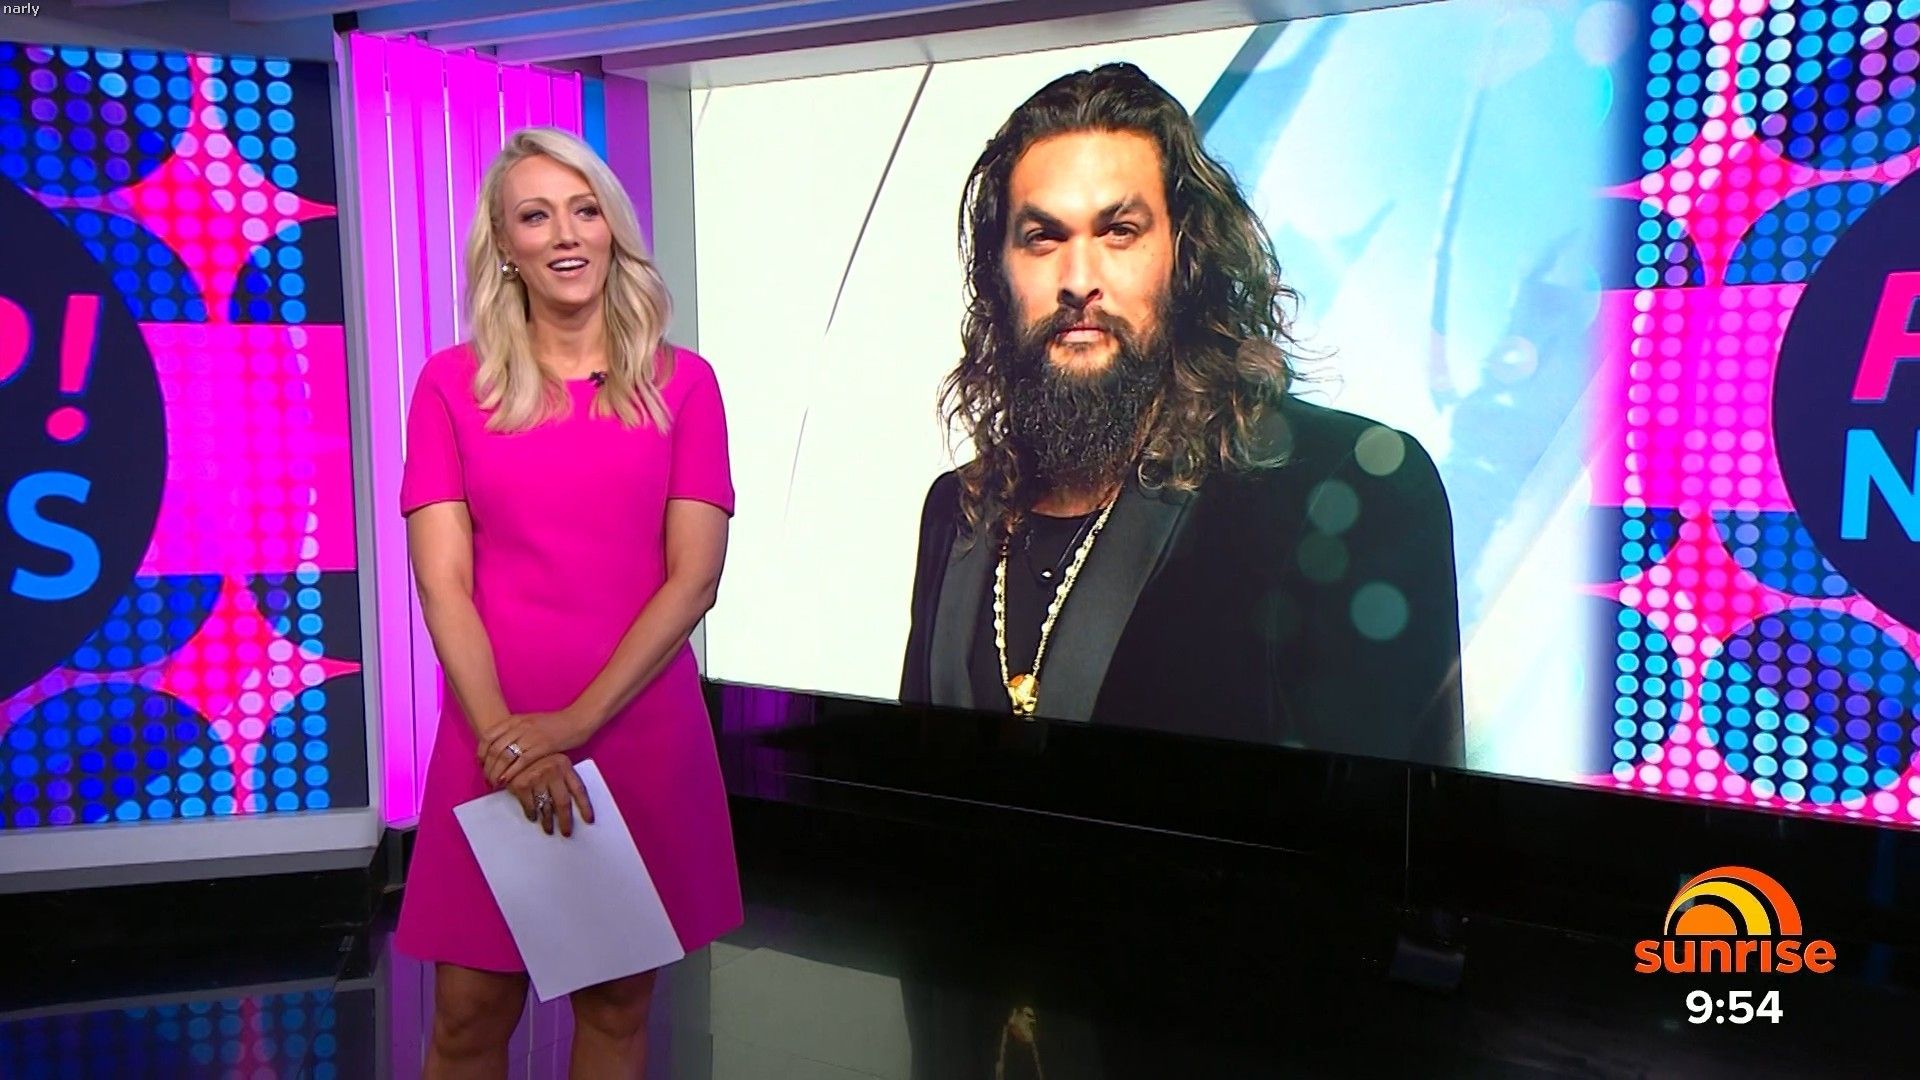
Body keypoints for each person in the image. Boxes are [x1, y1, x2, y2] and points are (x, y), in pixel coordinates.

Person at [899, 64, 1464, 767]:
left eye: (1120, 230)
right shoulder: (958, 510)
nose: (1079, 280)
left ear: (1185, 255)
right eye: (1043, 237)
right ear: (999, 273)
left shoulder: (1342, 485)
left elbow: (1394, 822)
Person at [391, 127, 739, 1076]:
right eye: (536, 216)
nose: (566, 234)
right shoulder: (451, 385)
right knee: (468, 1012)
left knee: (616, 1006)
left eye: (585, 210)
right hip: (491, 730)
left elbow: (695, 578)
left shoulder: (683, 384)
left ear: (612, 227)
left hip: (633, 729)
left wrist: (573, 726)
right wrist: (511, 740)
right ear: (505, 244)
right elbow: (442, 582)